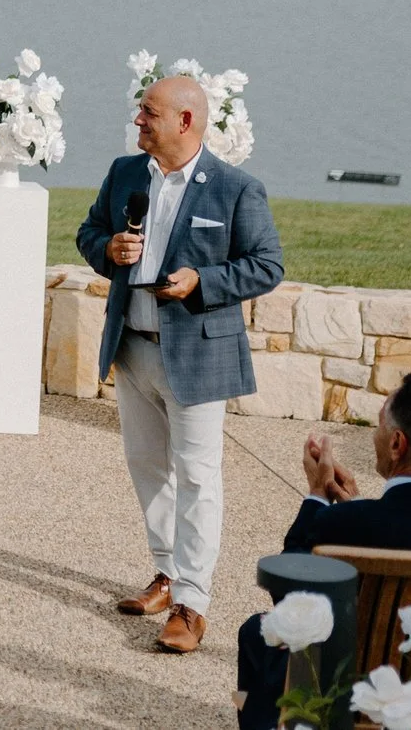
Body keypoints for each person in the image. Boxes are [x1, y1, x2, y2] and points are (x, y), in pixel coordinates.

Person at [76, 71, 284, 655]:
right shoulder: (123, 174)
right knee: (147, 466)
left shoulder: (237, 189)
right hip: (132, 346)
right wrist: (107, 249)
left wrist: (202, 282)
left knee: (198, 477)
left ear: (185, 122)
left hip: (198, 356)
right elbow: (89, 231)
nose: (138, 121)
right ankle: (166, 574)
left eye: (149, 113)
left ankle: (193, 604)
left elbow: (267, 265)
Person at [232, 373, 411, 728]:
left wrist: (317, 495)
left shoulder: (346, 523)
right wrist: (356, 508)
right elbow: (410, 532)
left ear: (396, 444)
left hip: (349, 694)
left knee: (257, 631)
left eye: (378, 425)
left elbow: (289, 599)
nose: (373, 435)